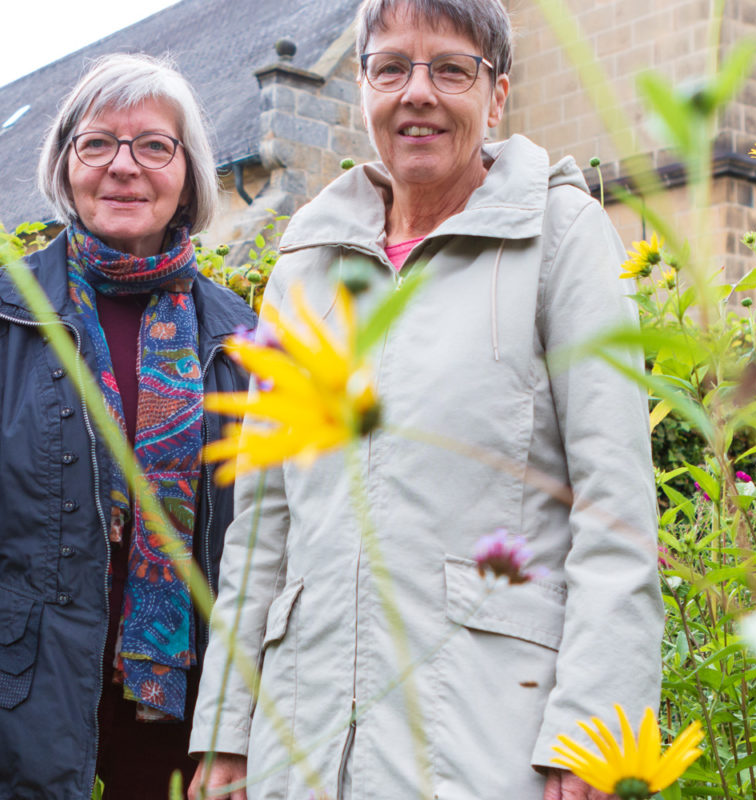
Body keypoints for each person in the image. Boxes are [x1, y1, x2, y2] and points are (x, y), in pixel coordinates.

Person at [186, 0, 663, 798]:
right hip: (299, 749)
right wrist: (226, 734)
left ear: (497, 94)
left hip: (487, 743)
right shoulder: (304, 261)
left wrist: (592, 739)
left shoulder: (563, 237)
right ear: (363, 87)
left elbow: (616, 515)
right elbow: (261, 526)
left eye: (450, 68)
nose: (418, 92)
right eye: (392, 68)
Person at [0, 54, 258, 800]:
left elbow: (260, 556)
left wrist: (248, 732)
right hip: (14, 722)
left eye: (154, 145)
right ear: (65, 164)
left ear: (189, 174)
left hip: (186, 731)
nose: (124, 167)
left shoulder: (239, 340)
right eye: (97, 144)